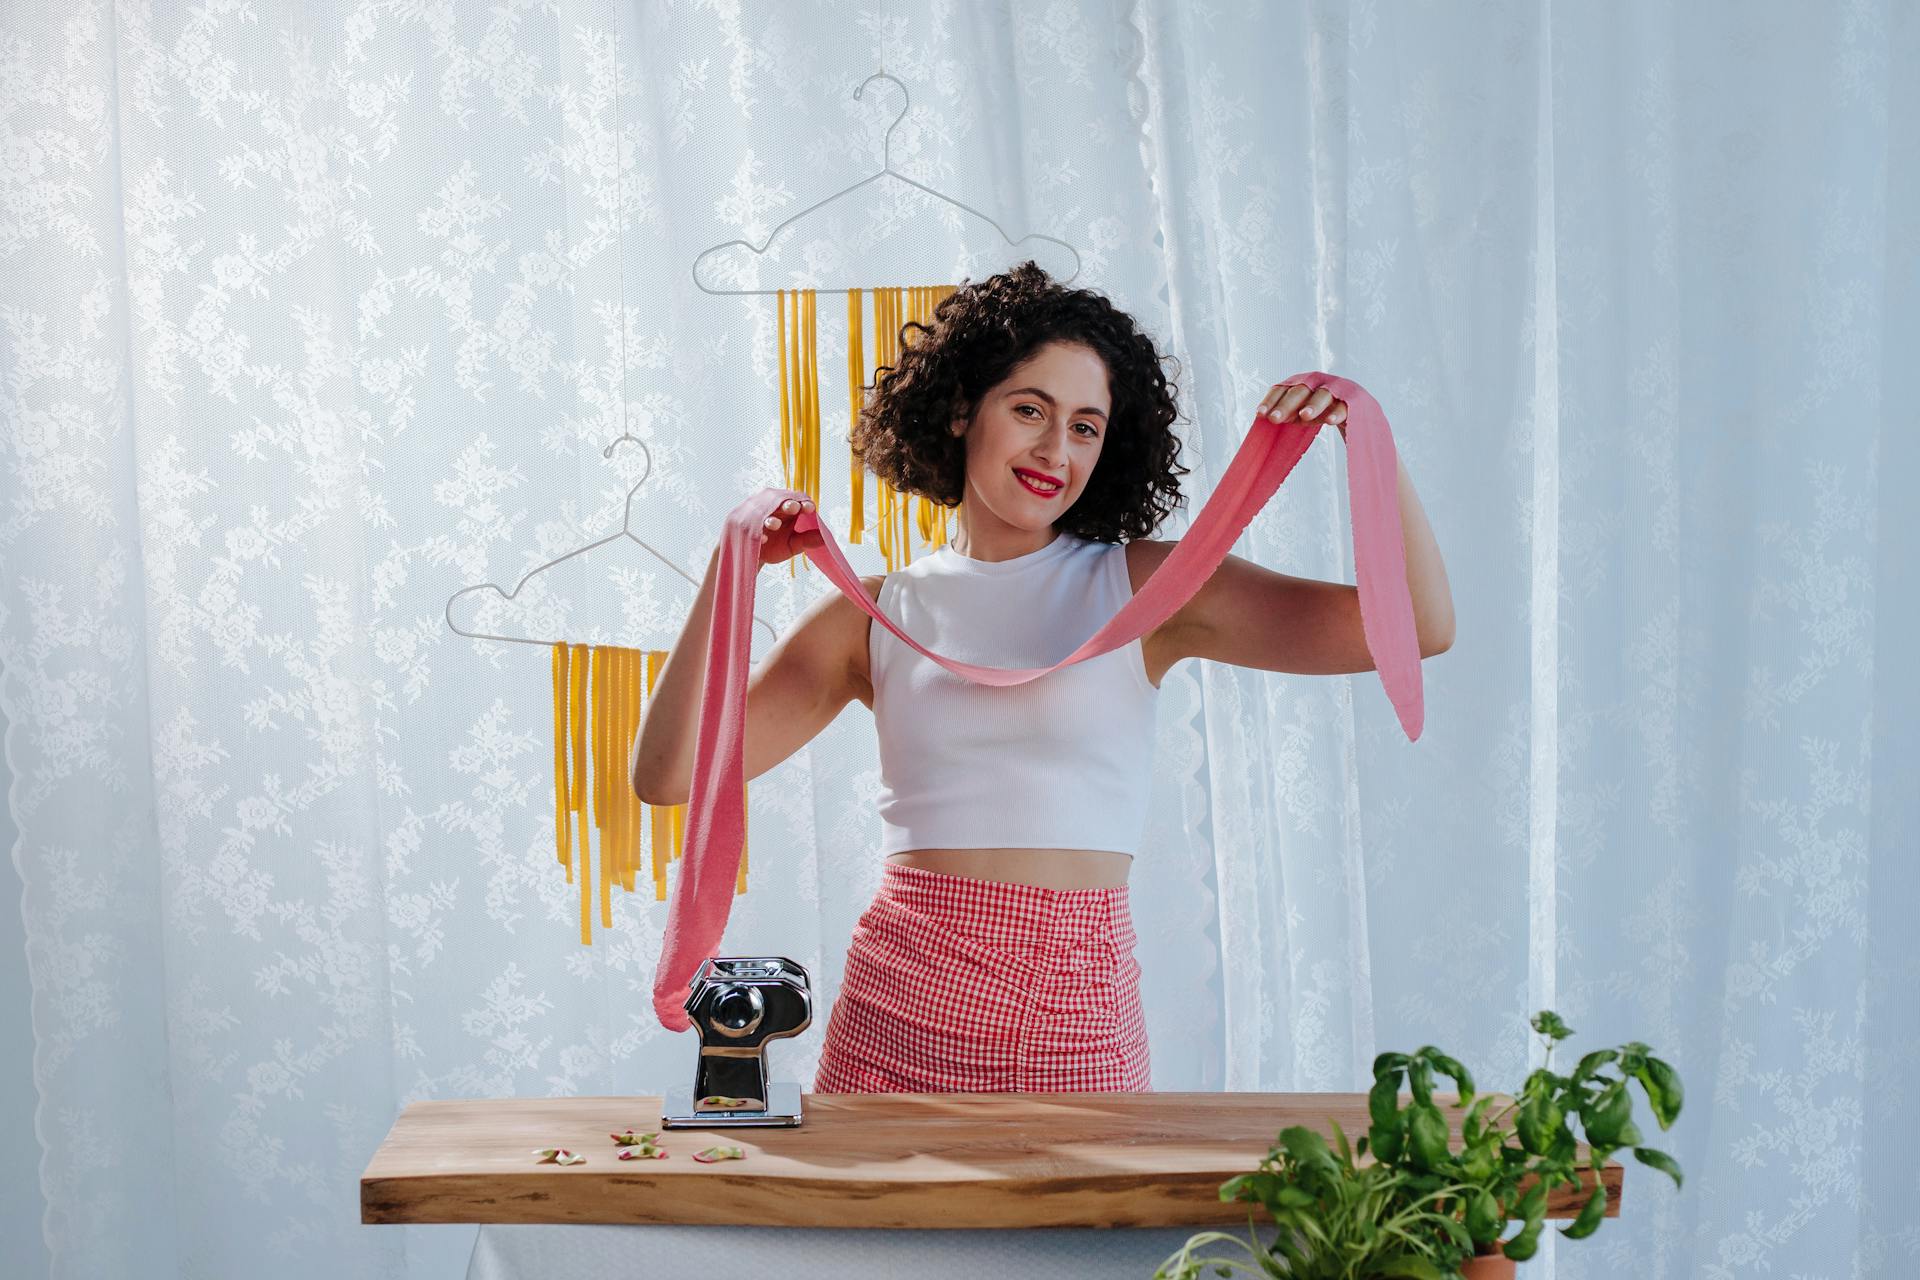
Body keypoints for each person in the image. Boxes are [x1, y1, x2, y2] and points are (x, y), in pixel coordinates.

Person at [631, 261, 1455, 1094]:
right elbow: (667, 777)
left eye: (1087, 426)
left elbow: (1416, 628)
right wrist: (728, 570)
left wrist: (1366, 438)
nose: (1056, 451)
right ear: (961, 410)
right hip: (895, 1021)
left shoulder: (1152, 590)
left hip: (1080, 1026)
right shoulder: (874, 615)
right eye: (1031, 410)